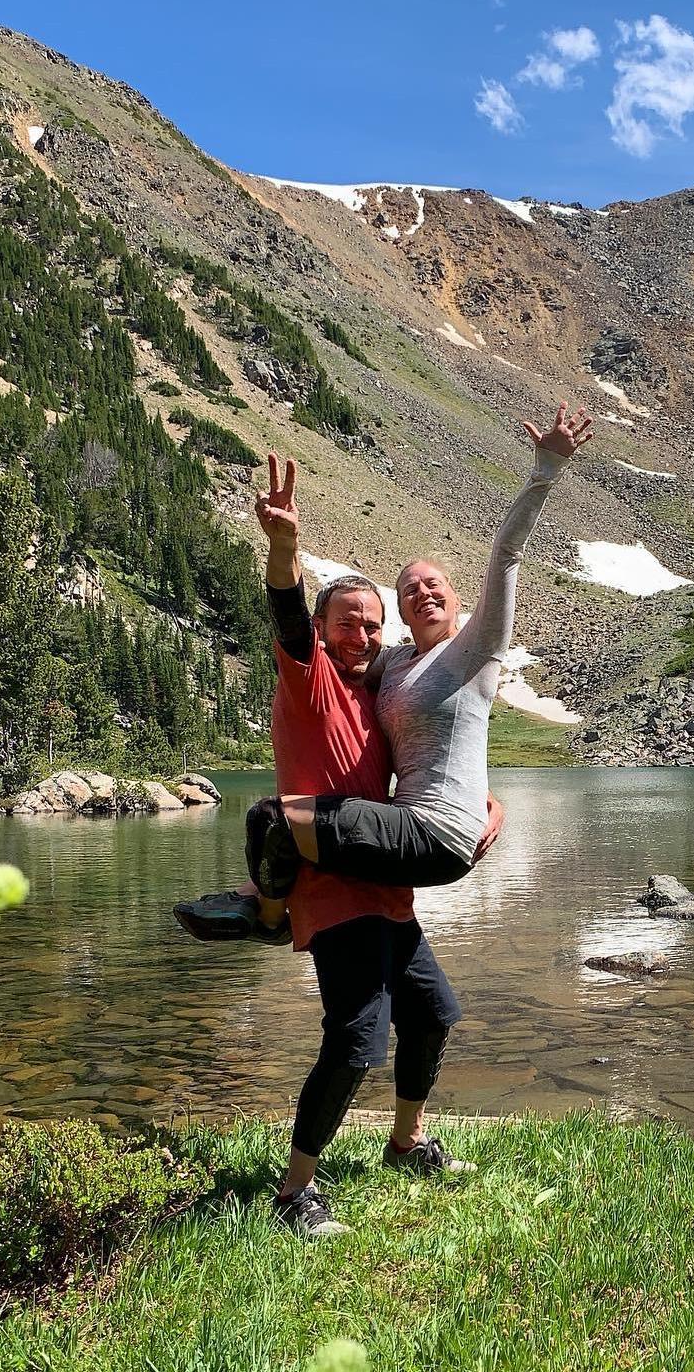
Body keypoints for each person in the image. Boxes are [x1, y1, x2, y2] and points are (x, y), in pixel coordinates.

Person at [174, 464, 501, 1237]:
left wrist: (488, 805)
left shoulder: (383, 694)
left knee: (433, 1015)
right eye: (346, 621)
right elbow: (287, 616)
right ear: (325, 632)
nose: (360, 633)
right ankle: (293, 1193)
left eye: (370, 622)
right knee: (358, 1038)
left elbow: (444, 757)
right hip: (333, 891)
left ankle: (406, 1143)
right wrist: (284, 552)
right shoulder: (310, 677)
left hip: (386, 887)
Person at [182, 400, 593, 933]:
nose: (423, 592)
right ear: (400, 612)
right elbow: (321, 647)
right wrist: (288, 560)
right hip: (413, 829)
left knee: (270, 819)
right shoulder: (392, 663)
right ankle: (260, 898)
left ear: (456, 599)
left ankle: (265, 916)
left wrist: (546, 470)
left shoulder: (476, 648)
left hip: (439, 834)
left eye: (434, 584)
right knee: (284, 829)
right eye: (409, 590)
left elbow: (507, 552)